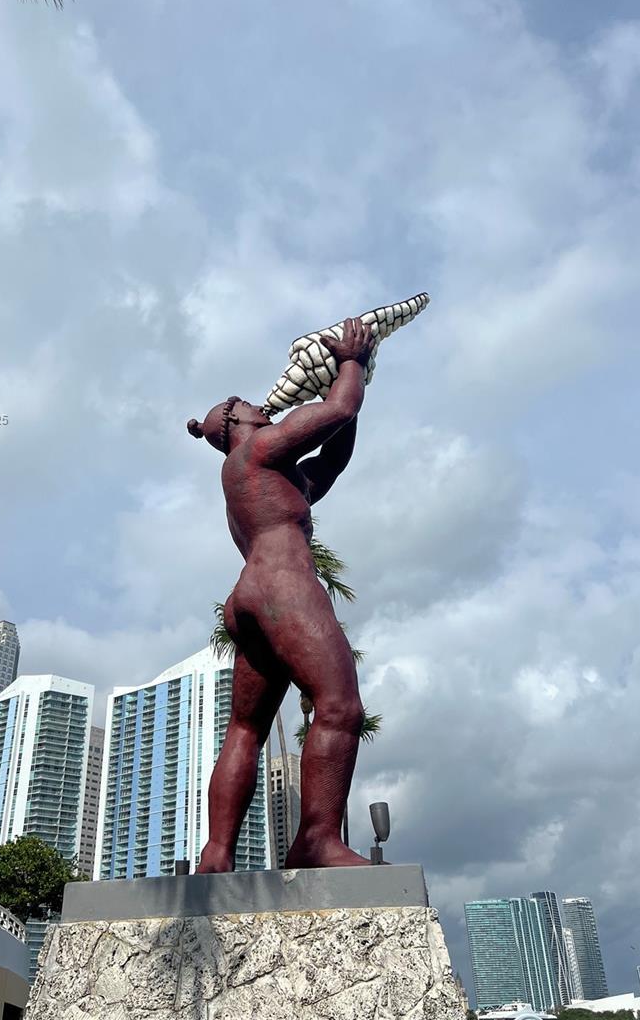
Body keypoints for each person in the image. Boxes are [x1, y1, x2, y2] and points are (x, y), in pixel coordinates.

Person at [187, 316, 376, 871]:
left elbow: (333, 454)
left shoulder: (267, 476)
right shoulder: (256, 452)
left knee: (247, 727)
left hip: (249, 598)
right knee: (339, 705)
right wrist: (351, 363)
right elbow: (338, 411)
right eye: (246, 404)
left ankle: (217, 854)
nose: (260, 406)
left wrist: (353, 383)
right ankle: (316, 839)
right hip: (281, 584)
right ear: (232, 423)